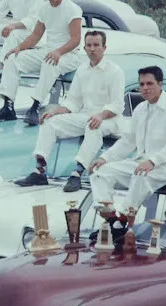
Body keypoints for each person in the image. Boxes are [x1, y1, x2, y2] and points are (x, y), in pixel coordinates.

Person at [88, 65, 166, 241]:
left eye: (150, 83)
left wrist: (152, 162)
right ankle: (112, 221)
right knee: (99, 172)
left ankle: (124, 222)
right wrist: (105, 158)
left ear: (160, 84)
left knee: (141, 176)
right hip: (140, 163)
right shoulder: (140, 109)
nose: (145, 88)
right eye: (141, 84)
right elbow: (128, 141)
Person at [16, 30, 125, 191]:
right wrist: (55, 111)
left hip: (110, 120)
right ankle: (39, 171)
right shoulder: (82, 70)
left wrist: (101, 116)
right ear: (85, 47)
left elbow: (117, 105)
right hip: (86, 116)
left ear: (104, 47)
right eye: (89, 45)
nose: (92, 49)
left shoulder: (115, 71)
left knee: (93, 125)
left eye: (96, 45)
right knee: (50, 121)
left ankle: (77, 174)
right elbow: (74, 100)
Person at [0, 0, 83, 125]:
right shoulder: (44, 8)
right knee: (12, 59)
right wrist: (18, 47)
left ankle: (35, 107)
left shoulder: (72, 9)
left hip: (69, 55)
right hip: (48, 50)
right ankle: (8, 106)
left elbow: (76, 39)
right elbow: (36, 35)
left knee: (49, 62)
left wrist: (58, 52)